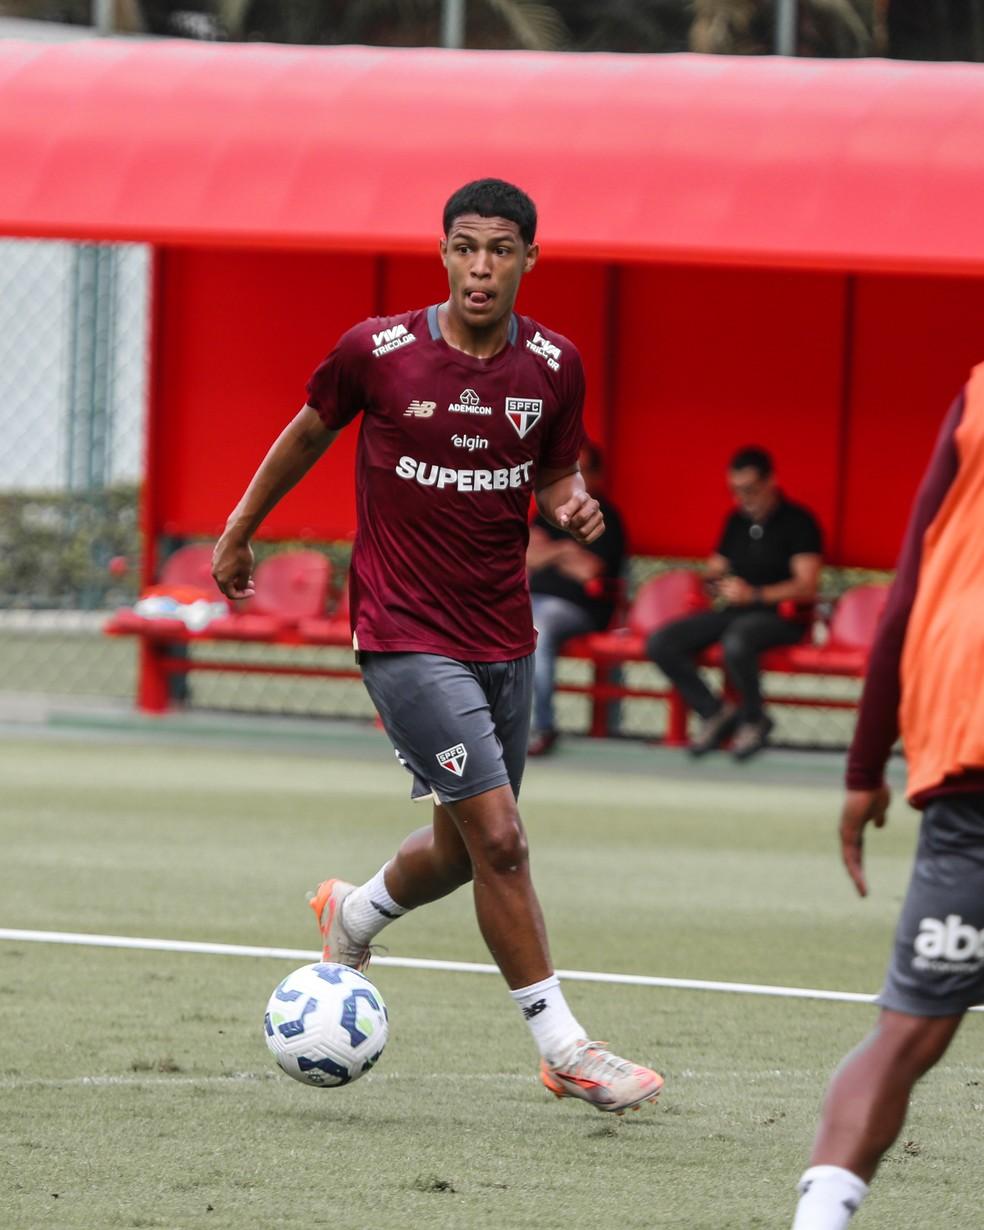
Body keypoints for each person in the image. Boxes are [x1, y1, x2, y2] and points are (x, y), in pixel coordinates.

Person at [211, 178, 662, 1115]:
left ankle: (355, 911)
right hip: (404, 633)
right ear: (444, 253)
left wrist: (572, 504)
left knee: (463, 854)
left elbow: (557, 474)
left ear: (529, 258)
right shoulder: (377, 352)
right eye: (465, 248)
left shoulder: (554, 365)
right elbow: (306, 433)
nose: (480, 268)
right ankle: (565, 1048)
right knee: (503, 840)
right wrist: (240, 529)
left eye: (499, 250)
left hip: (503, 636)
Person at [791, 369, 984, 1228]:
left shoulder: (979, 391)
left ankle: (821, 1217)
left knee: (907, 1033)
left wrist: (865, 765)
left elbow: (908, 591)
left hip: (968, 754)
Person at [646, 446, 822, 760]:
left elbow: (806, 586)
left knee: (737, 640)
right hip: (735, 611)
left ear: (770, 482)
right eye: (736, 490)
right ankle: (715, 712)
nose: (743, 498)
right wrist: (715, 584)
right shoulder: (736, 521)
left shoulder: (799, 521)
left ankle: (754, 719)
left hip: (781, 617)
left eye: (750, 489)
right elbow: (715, 569)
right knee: (662, 642)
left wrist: (754, 595)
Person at [526, 440, 626, 757]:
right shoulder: (547, 513)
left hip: (578, 609)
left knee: (536, 627)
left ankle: (541, 726)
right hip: (532, 601)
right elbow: (527, 556)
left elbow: (589, 570)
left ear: (595, 475)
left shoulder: (606, 516)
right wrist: (567, 550)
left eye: (580, 471)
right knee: (490, 621)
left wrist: (548, 552)